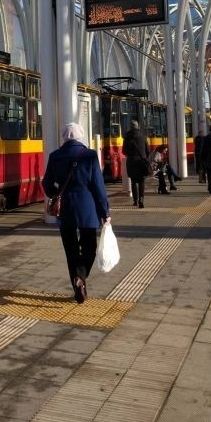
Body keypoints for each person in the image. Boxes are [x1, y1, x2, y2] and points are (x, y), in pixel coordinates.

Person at [42, 122, 109, 304]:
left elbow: (46, 184)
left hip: (65, 210)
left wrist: (56, 192)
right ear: (80, 136)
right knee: (90, 248)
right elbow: (98, 186)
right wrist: (105, 211)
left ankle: (77, 282)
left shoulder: (55, 156)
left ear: (64, 137)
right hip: (87, 209)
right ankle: (81, 276)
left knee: (71, 250)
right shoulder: (89, 155)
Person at [122, 120, 149, 209]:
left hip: (131, 161)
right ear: (138, 126)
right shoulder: (143, 136)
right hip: (141, 161)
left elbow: (124, 151)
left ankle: (135, 201)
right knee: (141, 181)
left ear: (130, 127)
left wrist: (130, 154)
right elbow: (147, 150)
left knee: (134, 181)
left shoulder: (127, 137)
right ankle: (141, 199)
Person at [199, 124, 211, 195]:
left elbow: (202, 149)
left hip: (208, 159)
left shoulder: (206, 138)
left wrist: (201, 158)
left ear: (210, 130)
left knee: (209, 174)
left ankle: (209, 186)